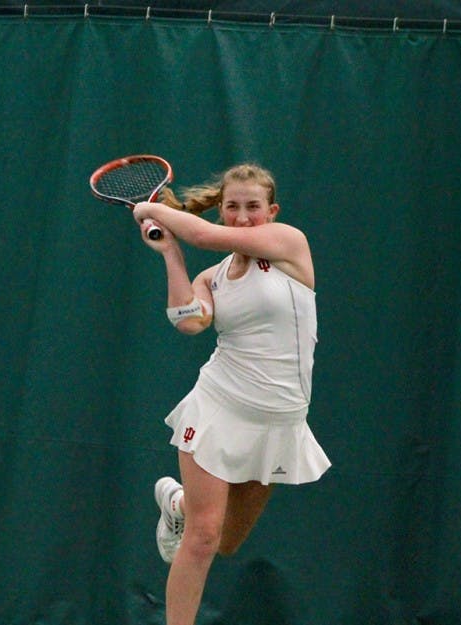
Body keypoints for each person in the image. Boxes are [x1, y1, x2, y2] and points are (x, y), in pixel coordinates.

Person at [131, 163, 331, 625]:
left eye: (253, 208)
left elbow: (202, 235)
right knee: (202, 537)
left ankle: (177, 503)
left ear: (272, 211)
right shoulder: (214, 277)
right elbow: (188, 320)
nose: (243, 217)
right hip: (218, 405)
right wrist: (171, 255)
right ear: (222, 210)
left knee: (228, 541)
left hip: (279, 419)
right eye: (233, 208)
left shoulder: (288, 243)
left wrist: (148, 207)